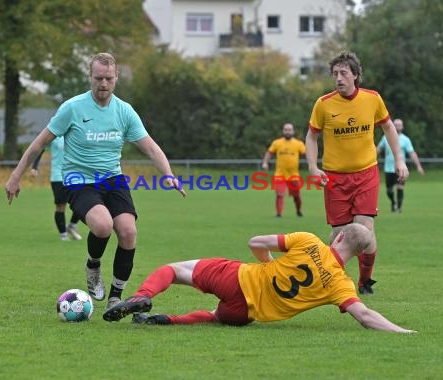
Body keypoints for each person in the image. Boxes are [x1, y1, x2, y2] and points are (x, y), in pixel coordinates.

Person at [5, 52, 186, 310]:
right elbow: (39, 144)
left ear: (116, 78)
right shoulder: (72, 108)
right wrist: (15, 177)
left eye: (108, 78)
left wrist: (168, 175)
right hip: (78, 180)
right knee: (102, 226)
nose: (103, 83)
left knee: (128, 232)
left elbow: (151, 148)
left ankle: (115, 297)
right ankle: (93, 265)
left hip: (112, 179)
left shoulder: (124, 111)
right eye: (98, 77)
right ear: (89, 76)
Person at [102, 223, 416, 333]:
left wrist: (268, 263)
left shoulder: (308, 240)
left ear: (338, 237)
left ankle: (141, 296)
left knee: (173, 270)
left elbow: (256, 242)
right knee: (216, 317)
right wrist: (401, 331)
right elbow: (364, 315)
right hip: (246, 314)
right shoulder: (341, 285)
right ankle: (166, 321)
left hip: (237, 278)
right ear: (359, 253)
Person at [305, 51, 409, 295]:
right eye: (334, 74)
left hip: (366, 174)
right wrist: (312, 166)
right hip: (335, 177)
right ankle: (336, 280)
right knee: (338, 235)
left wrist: (399, 160)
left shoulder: (372, 99)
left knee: (364, 230)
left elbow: (388, 128)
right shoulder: (324, 103)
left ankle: (365, 280)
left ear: (355, 75)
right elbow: (312, 135)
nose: (338, 78)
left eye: (343, 73)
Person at [31, 136, 83, 241]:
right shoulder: (54, 135)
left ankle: (72, 225)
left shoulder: (76, 132)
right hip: (58, 176)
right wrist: (34, 167)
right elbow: (40, 148)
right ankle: (63, 234)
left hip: (75, 176)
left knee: (82, 203)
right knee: (60, 206)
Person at [377, 118, 425, 213]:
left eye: (400, 125)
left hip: (400, 168)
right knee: (389, 190)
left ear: (402, 127)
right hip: (388, 169)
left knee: (400, 187)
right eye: (396, 125)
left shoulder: (406, 139)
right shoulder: (385, 137)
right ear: (392, 125)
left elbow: (412, 153)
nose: (398, 127)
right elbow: (378, 149)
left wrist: (418, 166)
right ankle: (393, 202)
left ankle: (399, 208)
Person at [261, 123, 306, 218]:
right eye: (286, 129)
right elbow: (269, 153)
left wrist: (312, 164)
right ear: (283, 131)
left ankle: (298, 211)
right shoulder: (277, 143)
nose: (287, 131)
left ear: (293, 131)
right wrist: (265, 162)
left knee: (296, 196)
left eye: (289, 130)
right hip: (280, 174)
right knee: (279, 194)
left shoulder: (298, 144)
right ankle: (279, 213)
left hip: (294, 175)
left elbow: (307, 154)